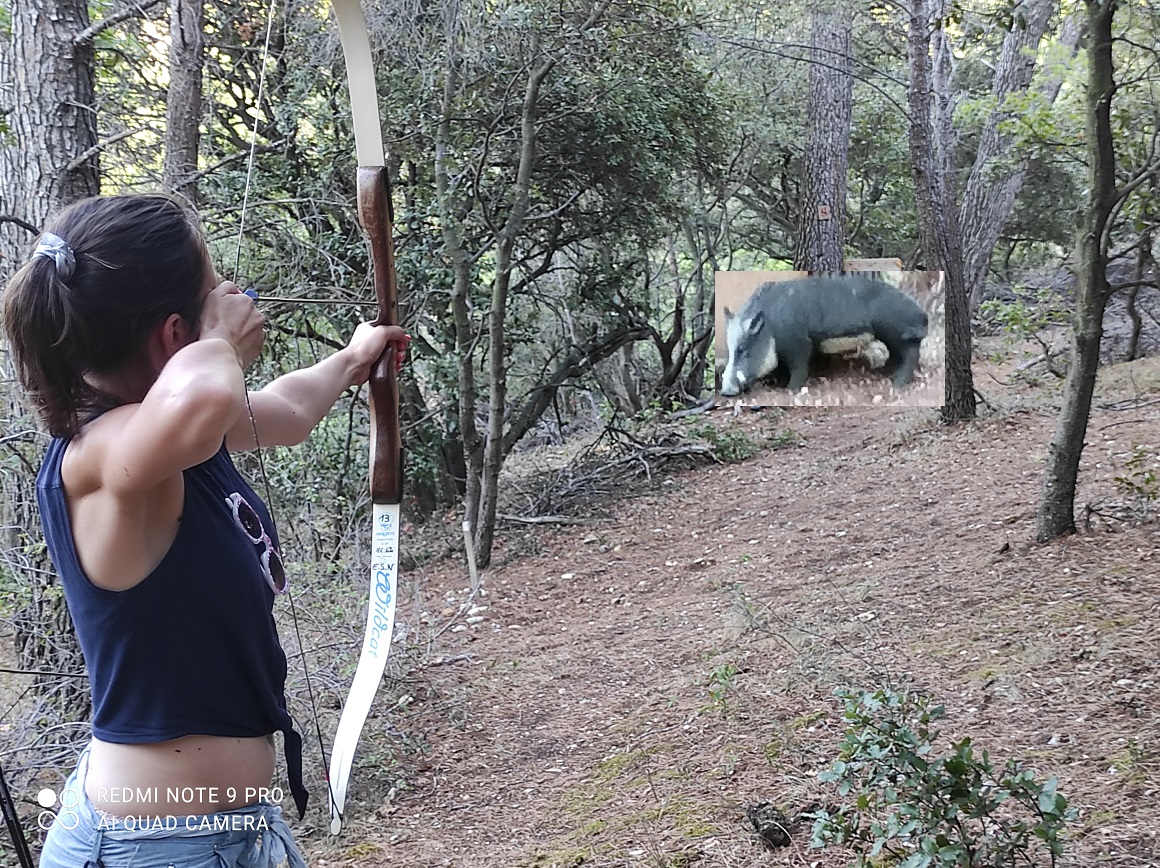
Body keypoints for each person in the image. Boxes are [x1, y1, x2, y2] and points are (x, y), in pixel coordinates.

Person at [2, 193, 409, 868]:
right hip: (153, 847)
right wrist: (221, 342)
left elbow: (284, 410)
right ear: (173, 335)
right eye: (215, 294)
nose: (231, 300)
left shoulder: (171, 436)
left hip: (220, 835)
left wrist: (353, 358)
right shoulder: (101, 457)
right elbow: (208, 394)